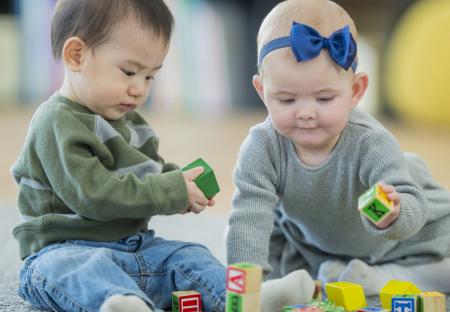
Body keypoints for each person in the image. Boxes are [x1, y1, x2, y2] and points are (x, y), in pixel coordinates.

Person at [226, 0, 450, 302]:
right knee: (257, 244)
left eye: (324, 98)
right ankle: (341, 275)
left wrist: (394, 214)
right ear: (263, 92)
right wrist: (247, 287)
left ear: (355, 91)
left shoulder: (370, 142)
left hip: (407, 240)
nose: (306, 113)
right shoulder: (262, 147)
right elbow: (249, 216)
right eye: (287, 100)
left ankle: (385, 278)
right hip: (321, 247)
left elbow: (413, 208)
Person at [11, 1, 226, 311]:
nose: (139, 89)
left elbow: (149, 173)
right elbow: (94, 195)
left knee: (191, 256)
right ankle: (121, 303)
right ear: (77, 55)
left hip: (136, 250)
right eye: (129, 71)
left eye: (151, 77)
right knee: (71, 272)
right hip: (64, 251)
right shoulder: (56, 122)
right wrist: (170, 190)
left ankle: (243, 300)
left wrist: (181, 183)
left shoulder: (132, 122)